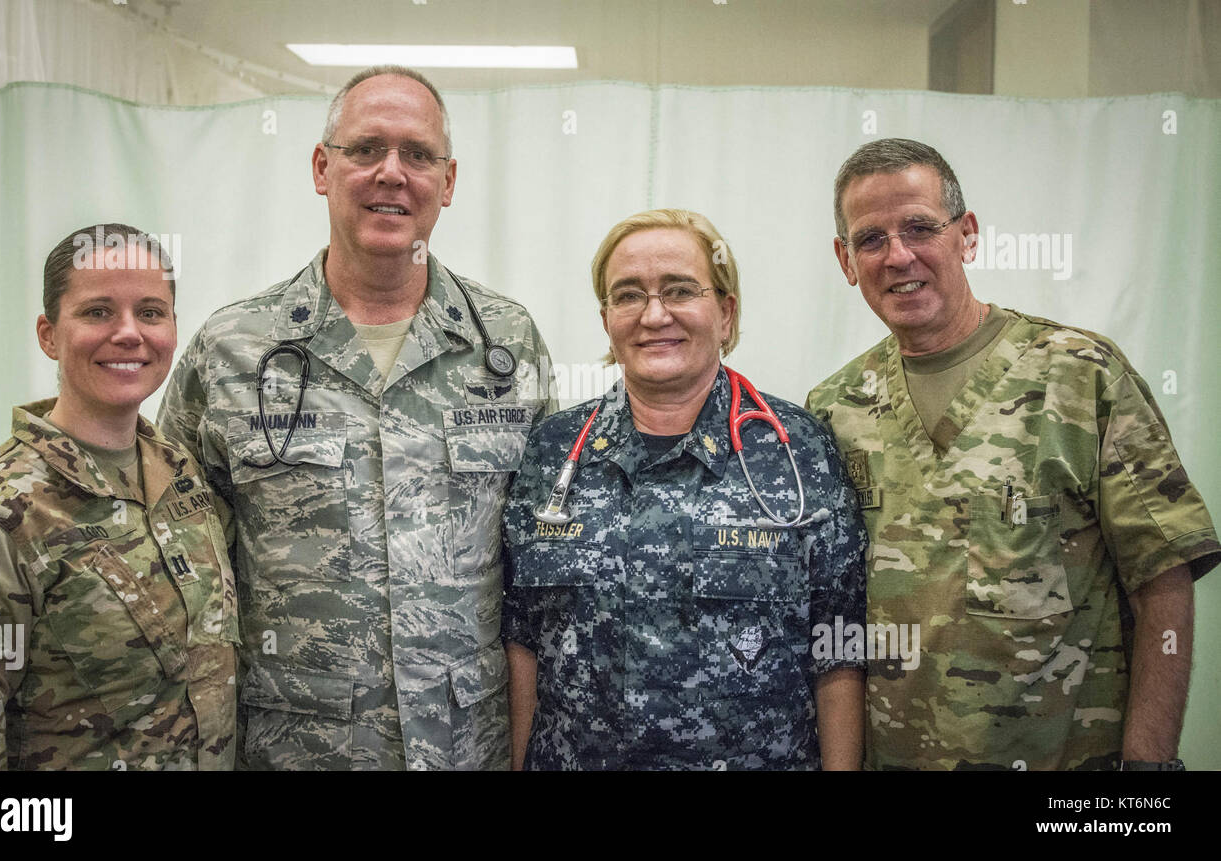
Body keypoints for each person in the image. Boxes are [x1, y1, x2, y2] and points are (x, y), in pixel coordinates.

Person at [158, 66, 556, 770]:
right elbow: (179, 571)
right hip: (298, 747)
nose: (392, 173)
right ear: (322, 167)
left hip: (466, 747)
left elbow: (540, 565)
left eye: (418, 154)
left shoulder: (507, 343)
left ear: (449, 181)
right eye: (366, 148)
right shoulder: (233, 351)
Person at [807, 138, 1220, 770]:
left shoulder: (1081, 376)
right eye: (871, 239)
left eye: (920, 227)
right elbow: (833, 624)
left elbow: (1162, 577)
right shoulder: (835, 409)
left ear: (966, 235)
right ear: (845, 259)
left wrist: (1148, 766)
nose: (898, 255)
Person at [502, 209, 867, 770]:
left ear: (725, 312)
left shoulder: (798, 450)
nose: (654, 314)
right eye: (628, 295)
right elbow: (524, 639)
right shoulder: (554, 450)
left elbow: (838, 647)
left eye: (679, 290)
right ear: (606, 319)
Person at [0, 224, 238, 770]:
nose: (129, 333)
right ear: (48, 334)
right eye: (97, 312)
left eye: (151, 312)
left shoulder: (183, 476)